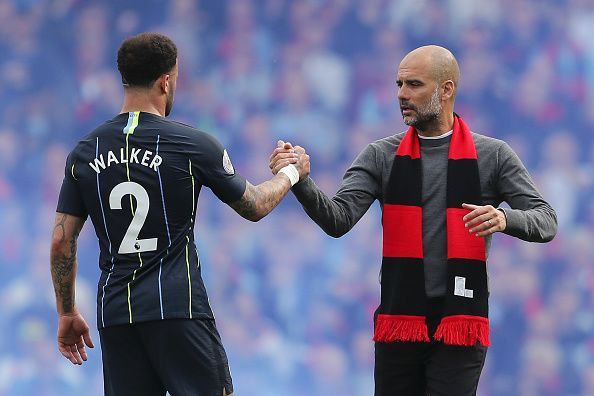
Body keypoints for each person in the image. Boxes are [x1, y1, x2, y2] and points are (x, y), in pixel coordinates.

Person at [270, 45, 557, 396]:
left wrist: (504, 218)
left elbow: (546, 220)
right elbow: (338, 219)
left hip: (459, 324)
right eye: (399, 84)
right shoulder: (381, 155)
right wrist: (300, 180)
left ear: (446, 89)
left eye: (414, 85)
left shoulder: (493, 155)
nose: (401, 95)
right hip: (399, 323)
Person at [49, 32, 309, 396]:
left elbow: (62, 241)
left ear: (124, 78)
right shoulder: (191, 144)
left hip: (116, 313)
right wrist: (291, 173)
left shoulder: (83, 152)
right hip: (178, 306)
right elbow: (254, 205)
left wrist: (66, 312)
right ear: (166, 81)